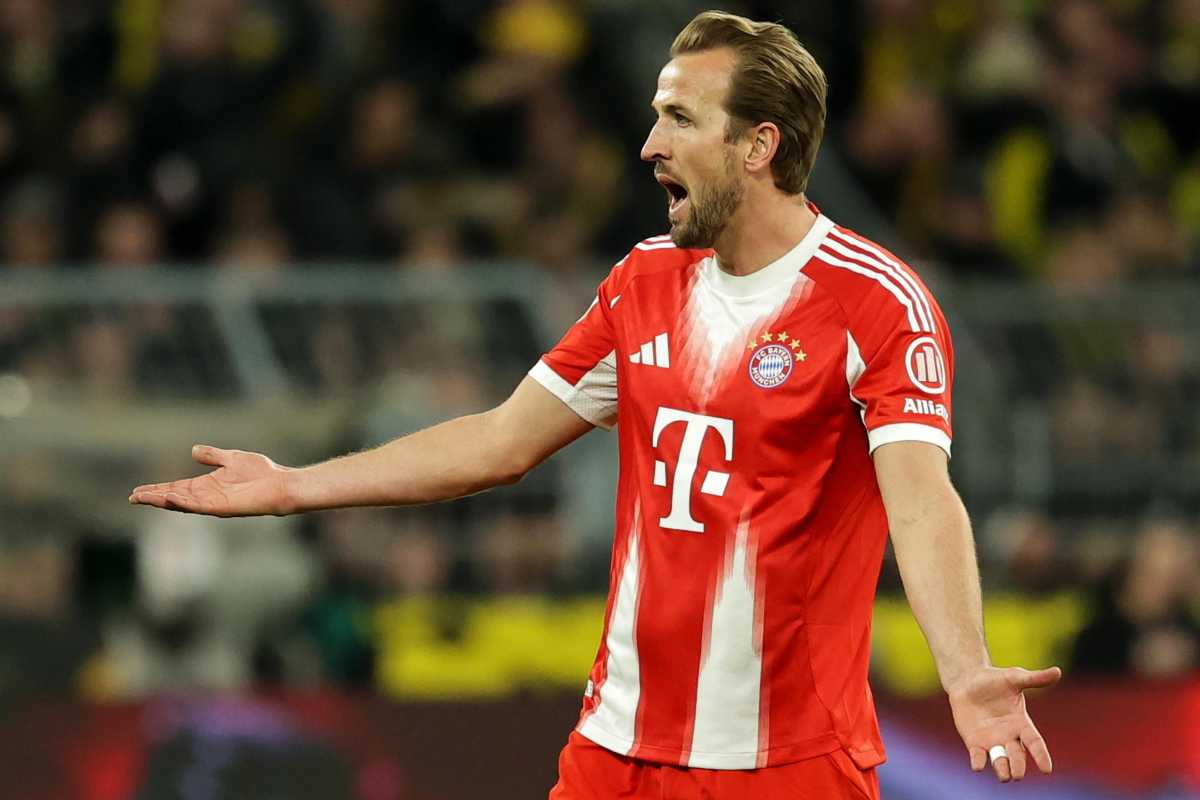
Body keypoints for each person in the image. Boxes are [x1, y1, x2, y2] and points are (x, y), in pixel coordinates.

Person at [130, 11, 1061, 799]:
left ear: (758, 146)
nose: (650, 146)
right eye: (656, 116)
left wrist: (966, 671)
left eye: (679, 119)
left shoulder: (876, 302)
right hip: (615, 754)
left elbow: (920, 499)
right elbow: (499, 441)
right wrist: (292, 487)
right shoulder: (642, 283)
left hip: (787, 764)